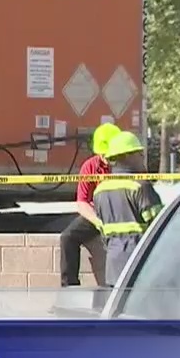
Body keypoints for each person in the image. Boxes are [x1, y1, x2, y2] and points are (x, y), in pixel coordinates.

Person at [93, 131, 164, 287]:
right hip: (141, 266)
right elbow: (161, 227)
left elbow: (102, 231)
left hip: (113, 268)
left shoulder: (99, 190)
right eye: (139, 154)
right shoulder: (140, 186)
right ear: (127, 156)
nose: (142, 158)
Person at [59, 122, 122, 287]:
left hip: (122, 212)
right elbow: (82, 202)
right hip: (98, 215)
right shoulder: (90, 166)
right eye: (102, 153)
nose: (106, 158)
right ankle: (69, 288)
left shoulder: (127, 166)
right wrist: (98, 222)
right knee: (67, 238)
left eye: (109, 153)